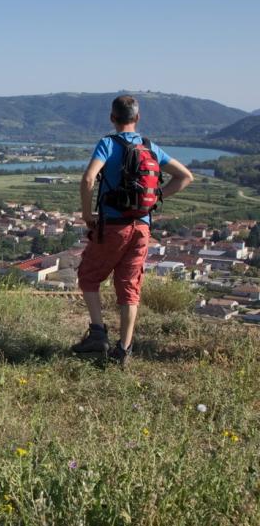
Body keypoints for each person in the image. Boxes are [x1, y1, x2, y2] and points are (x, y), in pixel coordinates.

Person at [73, 94, 193, 365]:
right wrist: (156, 196)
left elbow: (89, 177)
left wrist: (86, 212)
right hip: (142, 226)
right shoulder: (150, 146)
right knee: (129, 286)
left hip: (114, 226)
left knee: (89, 276)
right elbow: (186, 177)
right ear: (137, 118)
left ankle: (98, 334)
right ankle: (123, 350)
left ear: (112, 118)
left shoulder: (108, 143)